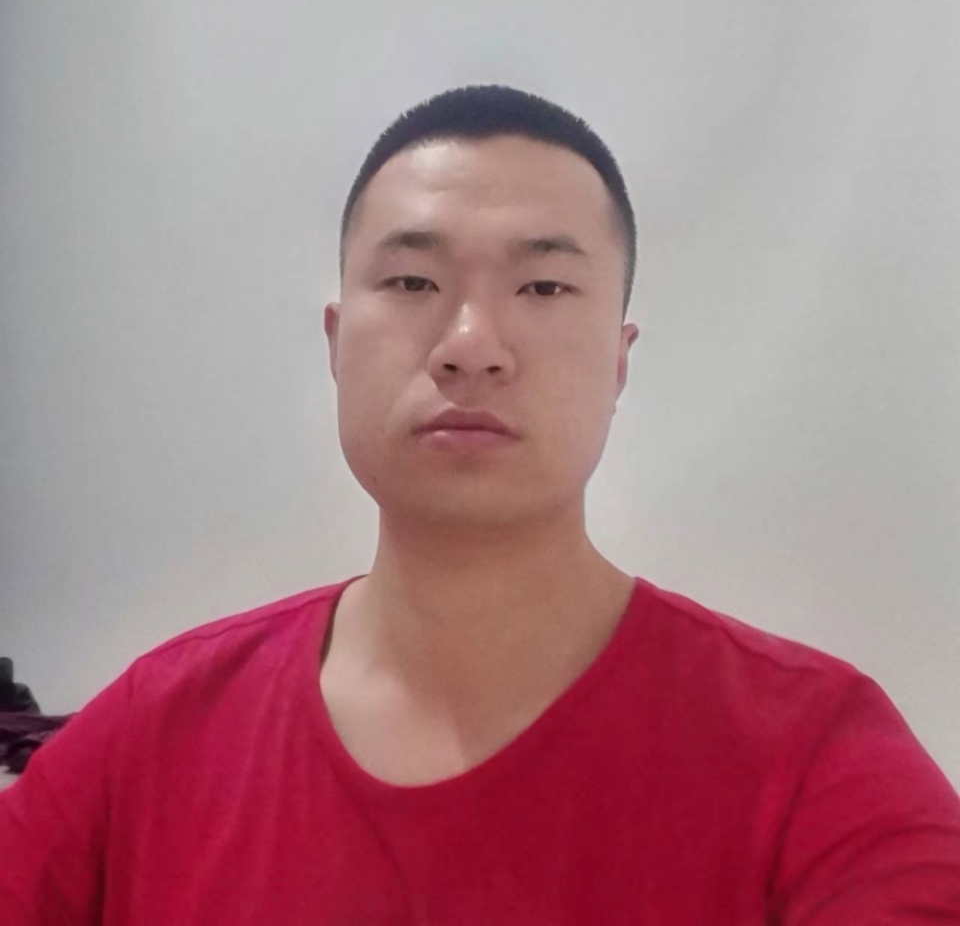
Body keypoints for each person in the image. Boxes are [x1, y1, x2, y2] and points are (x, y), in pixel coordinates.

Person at [1, 83, 958, 924]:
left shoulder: (814, 761)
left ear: (620, 360)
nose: (470, 345)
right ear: (336, 342)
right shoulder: (152, 735)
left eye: (543, 285)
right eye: (413, 281)